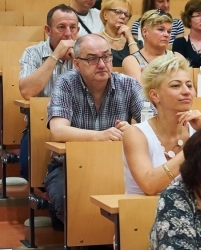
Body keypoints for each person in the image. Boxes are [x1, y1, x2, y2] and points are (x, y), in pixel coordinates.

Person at [45, 35, 144, 225]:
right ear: (77, 64)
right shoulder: (66, 83)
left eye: (106, 57)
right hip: (70, 165)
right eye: (92, 59)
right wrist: (101, 136)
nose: (102, 64)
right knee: (68, 204)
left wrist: (132, 130)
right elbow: (58, 131)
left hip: (118, 165)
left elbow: (151, 125)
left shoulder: (128, 84)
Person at [123, 54, 201, 195]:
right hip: (144, 214)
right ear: (155, 95)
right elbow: (150, 186)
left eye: (189, 85)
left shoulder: (199, 130)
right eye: (176, 85)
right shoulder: (135, 133)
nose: (186, 91)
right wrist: (195, 146)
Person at [18, 5, 79, 180]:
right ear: (48, 30)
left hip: (79, 127)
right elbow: (27, 92)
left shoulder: (85, 53)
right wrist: (55, 56)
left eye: (72, 27)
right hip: (40, 127)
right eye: (61, 27)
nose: (68, 34)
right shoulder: (32, 53)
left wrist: (79, 60)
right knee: (27, 170)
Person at [121, 10, 174, 83]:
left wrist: (150, 77)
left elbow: (191, 92)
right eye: (161, 29)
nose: (166, 34)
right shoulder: (132, 61)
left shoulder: (176, 58)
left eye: (169, 31)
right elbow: (141, 92)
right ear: (145, 32)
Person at [98, 0, 139, 67]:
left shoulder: (134, 43)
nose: (123, 16)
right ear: (105, 15)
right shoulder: (95, 40)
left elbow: (140, 66)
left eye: (126, 14)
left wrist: (130, 38)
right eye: (118, 12)